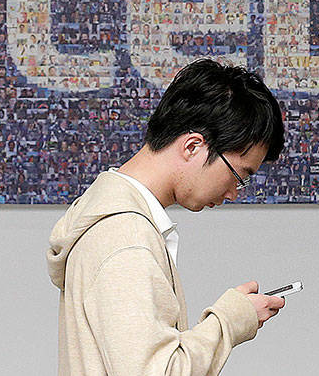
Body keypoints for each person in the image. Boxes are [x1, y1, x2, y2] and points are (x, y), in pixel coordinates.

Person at [47, 58, 287, 375]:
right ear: (192, 146)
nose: (234, 193)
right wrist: (229, 321)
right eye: (238, 175)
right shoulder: (126, 238)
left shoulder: (113, 221)